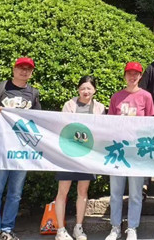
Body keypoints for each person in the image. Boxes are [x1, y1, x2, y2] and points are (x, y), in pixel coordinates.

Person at [0, 57, 41, 240]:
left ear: (31, 73)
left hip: (22, 152)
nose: (24, 71)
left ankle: (7, 230)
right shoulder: (1, 88)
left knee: (15, 194)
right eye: (21, 68)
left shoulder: (33, 93)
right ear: (14, 69)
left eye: (28, 69)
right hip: (1, 151)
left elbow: (39, 120)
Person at [106, 62, 154, 240]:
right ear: (124, 76)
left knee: (135, 193)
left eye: (136, 74)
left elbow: (151, 124)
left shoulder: (146, 97)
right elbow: (109, 123)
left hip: (137, 152)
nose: (132, 77)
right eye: (129, 73)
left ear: (140, 76)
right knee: (116, 192)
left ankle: (132, 227)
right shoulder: (116, 97)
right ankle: (115, 227)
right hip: (118, 151)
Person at [55, 76, 106, 240]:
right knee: (62, 192)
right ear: (78, 89)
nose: (86, 91)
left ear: (94, 90)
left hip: (87, 156)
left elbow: (103, 130)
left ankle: (79, 227)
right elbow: (63, 127)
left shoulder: (100, 108)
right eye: (83, 88)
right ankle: (60, 230)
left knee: (83, 191)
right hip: (68, 155)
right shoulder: (69, 105)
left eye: (89, 88)